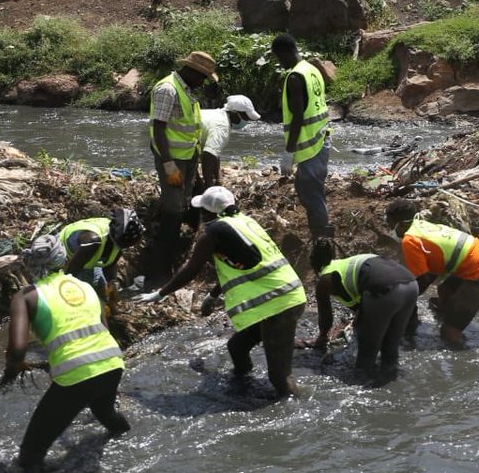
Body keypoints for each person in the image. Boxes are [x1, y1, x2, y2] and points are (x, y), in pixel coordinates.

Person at [135, 187, 305, 398]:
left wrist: (160, 294)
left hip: (278, 304)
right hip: (285, 295)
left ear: (206, 213)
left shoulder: (212, 233)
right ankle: (242, 389)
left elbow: (191, 269)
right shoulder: (244, 222)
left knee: (279, 376)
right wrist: (213, 294)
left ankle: (297, 405)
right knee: (237, 347)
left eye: (201, 211)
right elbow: (241, 267)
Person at [1, 235, 129, 473]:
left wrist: (10, 374)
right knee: (105, 413)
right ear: (61, 258)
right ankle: (128, 438)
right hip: (112, 362)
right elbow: (104, 329)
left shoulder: (26, 296)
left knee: (29, 458)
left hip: (76, 375)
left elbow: (17, 351)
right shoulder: (85, 286)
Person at [385, 200, 479, 348]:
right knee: (444, 290)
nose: (389, 227)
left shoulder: (410, 240)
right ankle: (451, 317)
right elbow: (431, 271)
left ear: (400, 224)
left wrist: (401, 302)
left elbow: (424, 279)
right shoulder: (421, 226)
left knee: (448, 333)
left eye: (389, 223)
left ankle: (461, 350)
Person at [147, 50, 218, 288]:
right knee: (172, 212)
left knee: (182, 206)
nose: (203, 82)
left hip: (186, 158)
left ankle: (173, 260)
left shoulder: (187, 90)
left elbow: (190, 129)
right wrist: (168, 165)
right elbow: (158, 128)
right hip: (172, 160)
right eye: (203, 77)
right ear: (192, 71)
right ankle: (158, 272)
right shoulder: (167, 89)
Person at [309, 241, 418, 381]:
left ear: (313, 265)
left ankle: (362, 384)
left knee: (367, 351)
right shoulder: (345, 264)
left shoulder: (325, 279)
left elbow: (326, 315)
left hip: (385, 290)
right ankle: (391, 383)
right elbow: (361, 306)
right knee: (390, 349)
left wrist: (323, 337)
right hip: (411, 285)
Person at [271, 34, 333, 241]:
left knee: (311, 194)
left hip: (310, 148)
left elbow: (298, 116)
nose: (280, 62)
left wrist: (289, 152)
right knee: (309, 190)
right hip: (322, 139)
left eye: (279, 57)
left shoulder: (295, 78)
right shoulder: (312, 69)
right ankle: (320, 235)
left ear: (286, 52)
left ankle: (322, 240)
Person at [57, 207, 145, 303]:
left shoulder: (118, 239)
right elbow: (71, 274)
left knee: (102, 291)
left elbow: (110, 265)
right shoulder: (92, 242)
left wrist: (112, 282)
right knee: (86, 297)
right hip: (66, 257)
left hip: (88, 261)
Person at [199, 94, 262, 189]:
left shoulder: (218, 114)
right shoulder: (222, 126)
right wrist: (209, 186)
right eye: (245, 118)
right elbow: (208, 156)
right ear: (234, 113)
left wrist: (218, 179)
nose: (246, 121)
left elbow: (214, 152)